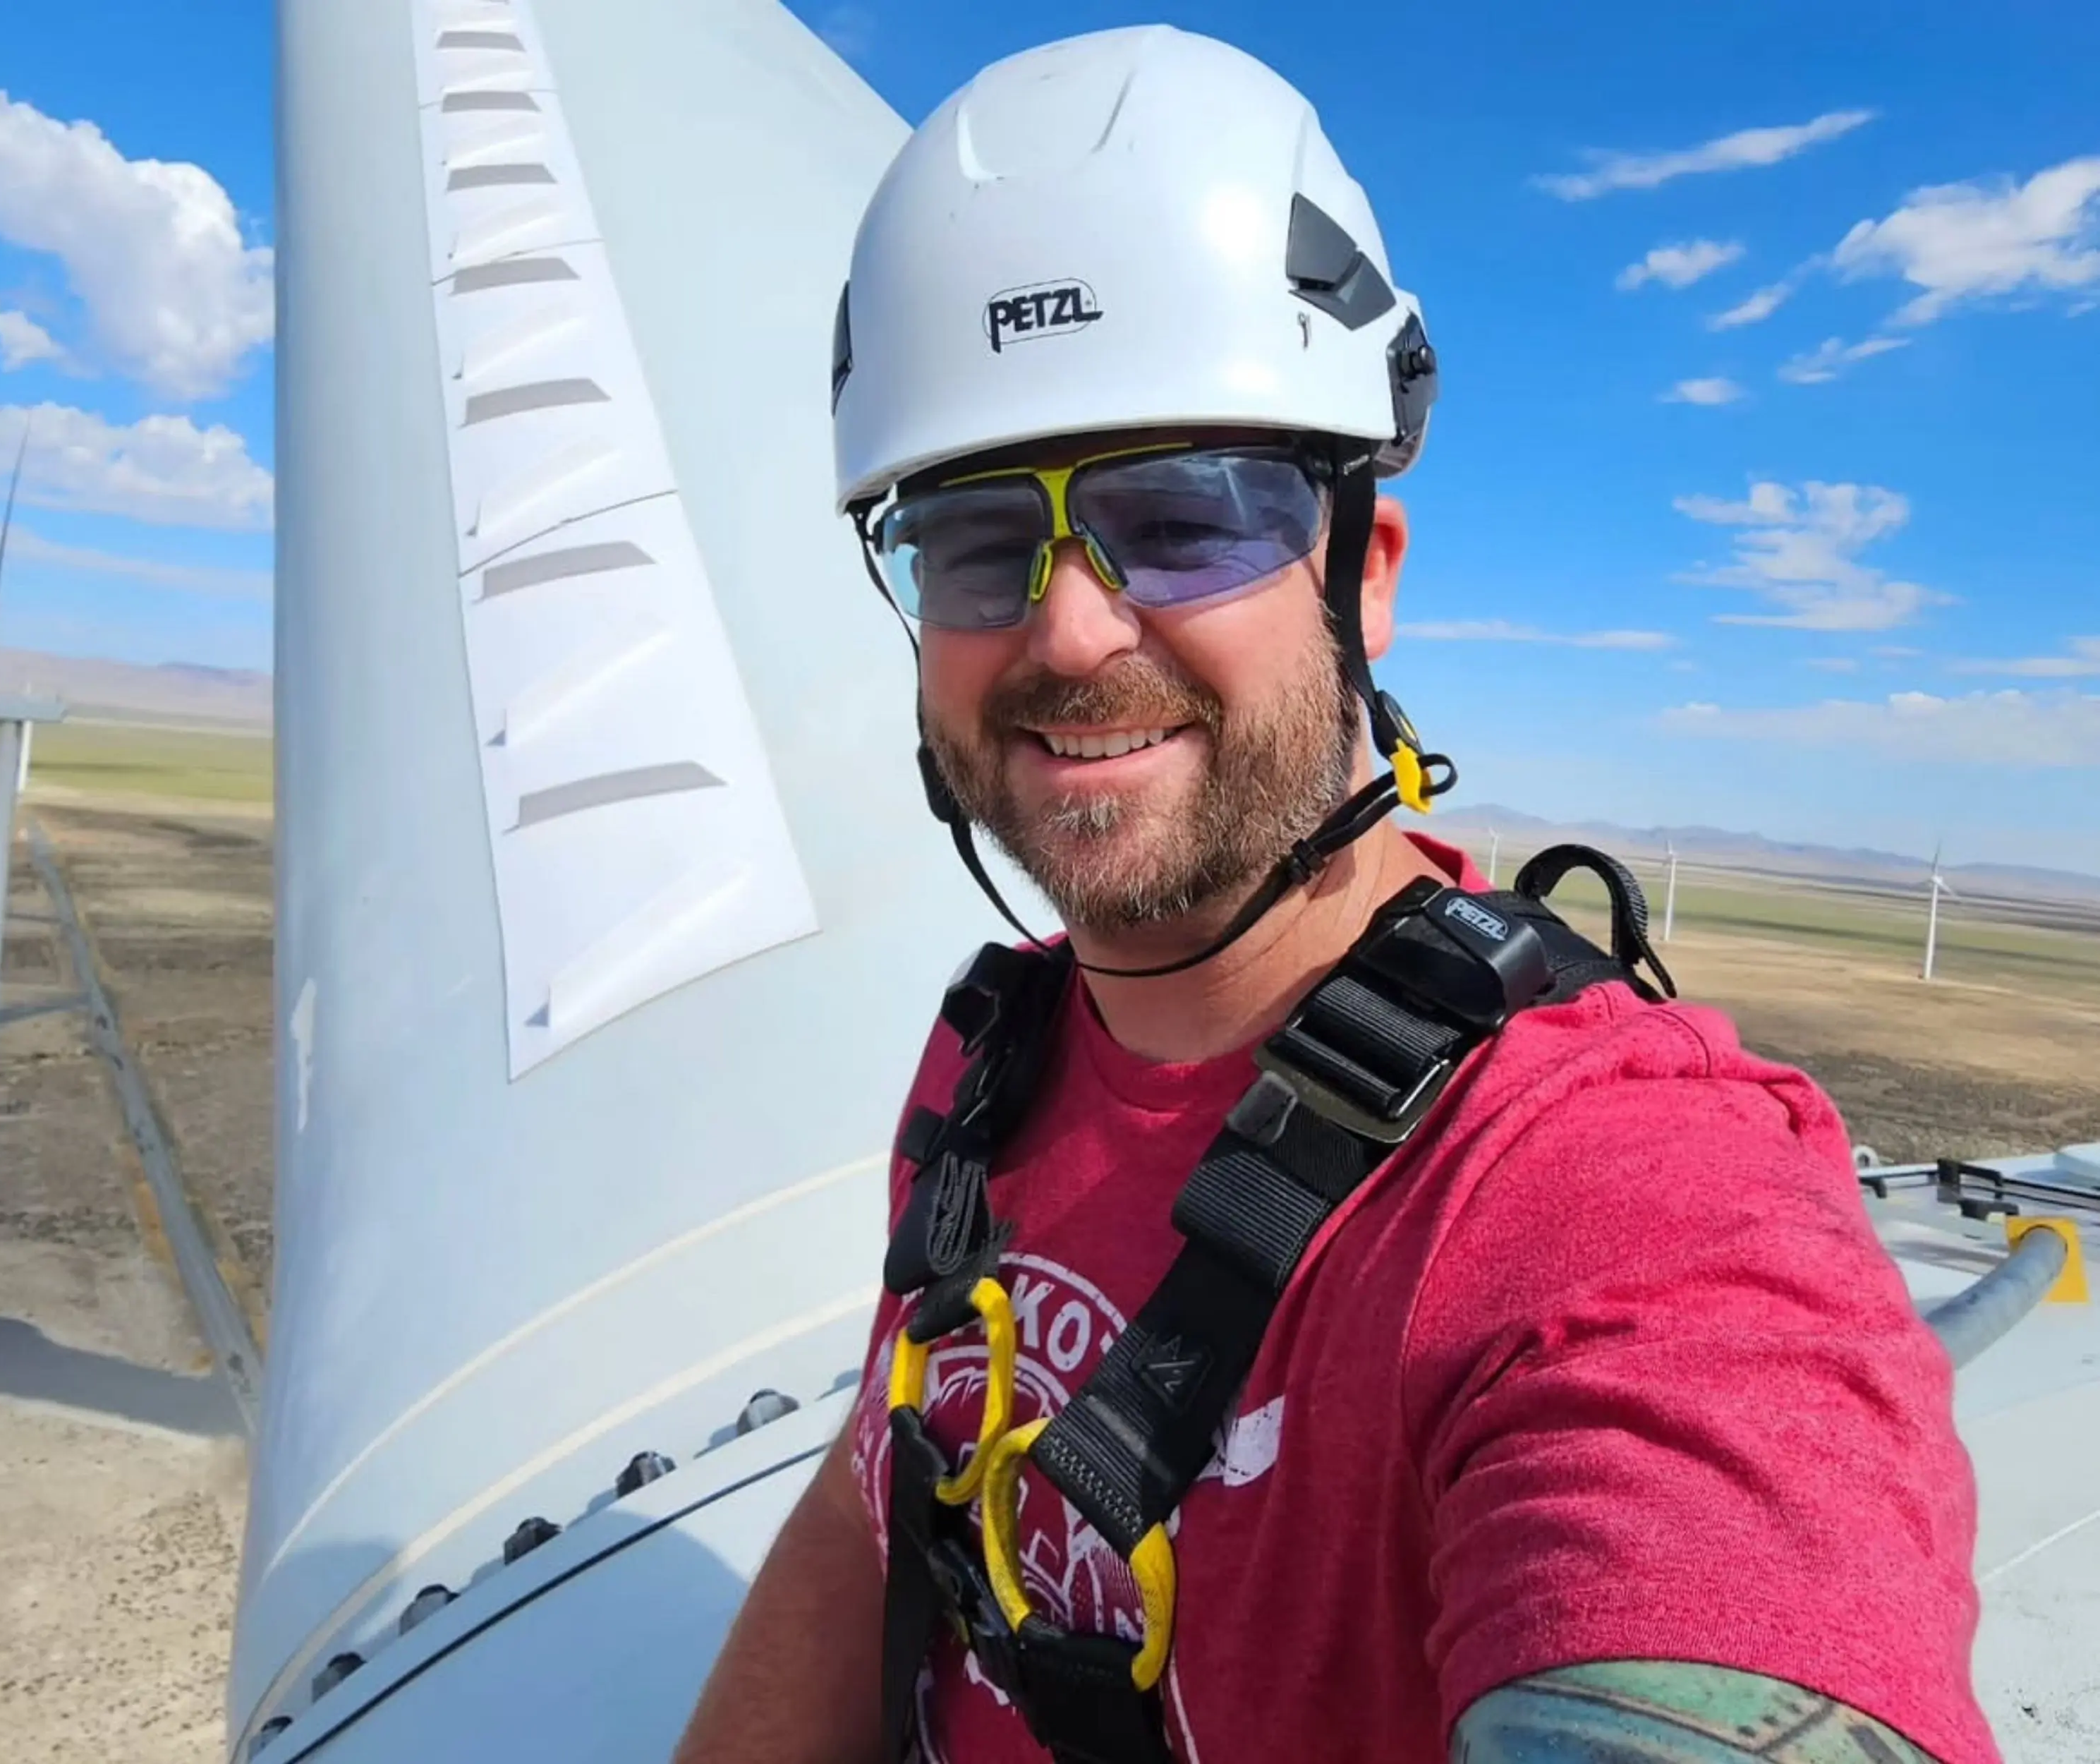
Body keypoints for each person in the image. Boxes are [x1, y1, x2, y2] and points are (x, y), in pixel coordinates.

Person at [676, 24, 1996, 1764]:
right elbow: (879, 1493)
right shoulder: (992, 1052)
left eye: (1185, 513)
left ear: (1360, 569)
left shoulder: (1612, 1200)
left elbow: (1720, 1580)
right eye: (983, 542)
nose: (1071, 629)